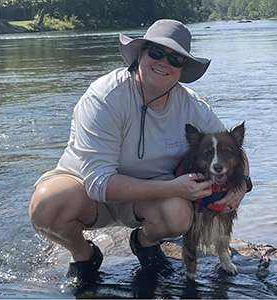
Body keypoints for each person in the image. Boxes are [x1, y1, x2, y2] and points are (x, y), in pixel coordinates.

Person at [28, 19, 250, 283]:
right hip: (86, 191)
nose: (164, 62)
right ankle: (83, 254)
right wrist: (176, 188)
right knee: (47, 205)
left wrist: (241, 186)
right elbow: (98, 184)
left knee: (179, 215)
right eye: (156, 52)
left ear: (183, 68)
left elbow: (233, 150)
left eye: (176, 59)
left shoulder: (192, 106)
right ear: (140, 54)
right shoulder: (104, 97)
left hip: (148, 197)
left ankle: (144, 241)